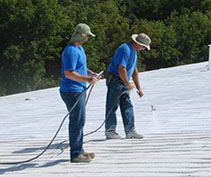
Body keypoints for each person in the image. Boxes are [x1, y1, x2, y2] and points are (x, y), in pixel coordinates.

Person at [60, 23, 101, 163]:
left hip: (78, 90)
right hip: (71, 91)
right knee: (77, 121)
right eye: (87, 36)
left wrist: (91, 73)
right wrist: (87, 79)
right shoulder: (70, 51)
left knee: (80, 120)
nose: (88, 38)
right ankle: (76, 154)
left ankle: (80, 151)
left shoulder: (79, 49)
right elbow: (69, 73)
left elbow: (79, 67)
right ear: (82, 36)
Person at [105, 33, 151, 140]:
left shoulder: (134, 51)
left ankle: (130, 130)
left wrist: (139, 88)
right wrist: (127, 83)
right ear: (137, 43)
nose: (143, 49)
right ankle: (110, 131)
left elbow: (134, 70)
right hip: (116, 79)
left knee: (127, 105)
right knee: (112, 105)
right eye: (143, 46)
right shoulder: (125, 49)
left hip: (124, 79)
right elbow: (121, 68)